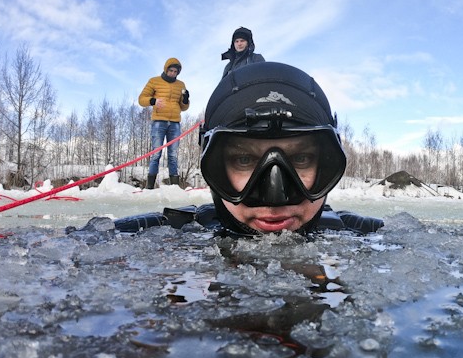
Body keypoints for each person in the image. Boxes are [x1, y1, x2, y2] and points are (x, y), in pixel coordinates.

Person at [102, 61, 383, 236]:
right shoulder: (165, 234)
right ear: (214, 167)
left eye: (300, 158)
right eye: (245, 159)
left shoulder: (362, 233)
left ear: (327, 165)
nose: (275, 197)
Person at [138, 58, 190, 189]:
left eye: (175, 71)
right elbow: (141, 99)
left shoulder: (181, 84)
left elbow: (184, 107)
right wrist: (153, 101)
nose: (173, 73)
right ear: (166, 69)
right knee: (156, 154)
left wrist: (185, 100)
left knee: (173, 156)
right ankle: (150, 187)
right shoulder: (154, 81)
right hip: (159, 122)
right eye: (171, 70)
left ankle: (175, 188)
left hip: (175, 124)